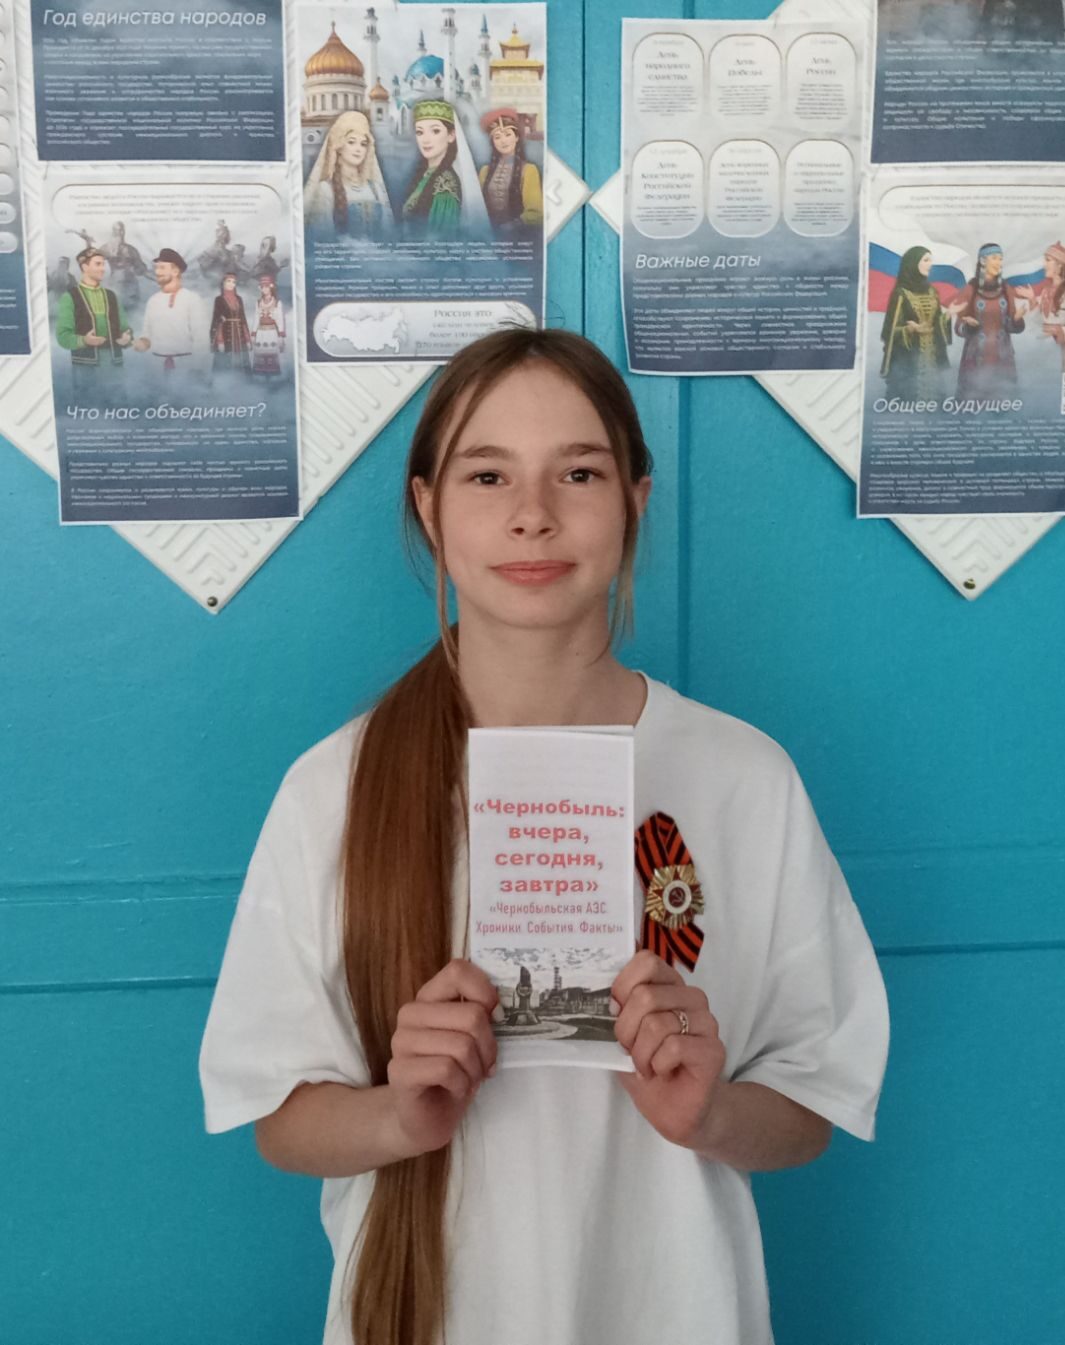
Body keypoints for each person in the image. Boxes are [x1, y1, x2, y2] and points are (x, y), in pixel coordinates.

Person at [200, 329, 888, 1345]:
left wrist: (708, 1113)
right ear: (428, 505)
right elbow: (278, 1116)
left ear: (637, 499)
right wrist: (400, 1113)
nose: (533, 514)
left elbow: (809, 1103)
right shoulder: (333, 789)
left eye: (579, 472)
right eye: (488, 475)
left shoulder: (745, 778)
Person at [54, 246, 133, 400]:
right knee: (89, 404)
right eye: (98, 264)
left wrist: (127, 337)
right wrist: (85, 340)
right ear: (84, 267)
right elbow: (62, 336)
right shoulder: (70, 297)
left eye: (103, 264)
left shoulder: (111, 296)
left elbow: (125, 328)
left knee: (118, 405)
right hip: (85, 366)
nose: (103, 268)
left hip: (114, 365)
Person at [401, 99, 489, 238]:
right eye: (420, 132)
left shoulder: (445, 184)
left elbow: (439, 242)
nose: (425, 140)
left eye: (435, 131)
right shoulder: (424, 175)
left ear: (451, 136)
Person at [879, 245, 954, 399]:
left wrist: (947, 316)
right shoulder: (901, 294)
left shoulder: (932, 292)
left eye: (931, 260)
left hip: (932, 358)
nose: (930, 264)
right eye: (926, 260)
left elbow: (936, 322)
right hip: (909, 361)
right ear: (913, 263)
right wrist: (910, 329)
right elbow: (890, 331)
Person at [954, 242, 1025, 399]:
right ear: (983, 261)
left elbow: (1012, 323)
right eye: (994, 258)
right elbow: (958, 327)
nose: (999, 262)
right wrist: (969, 325)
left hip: (1002, 358)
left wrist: (1016, 320)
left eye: (1000, 258)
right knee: (973, 401)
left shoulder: (1006, 289)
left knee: (1003, 401)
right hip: (976, 359)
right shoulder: (971, 289)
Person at [304, 111, 392, 237]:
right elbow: (324, 238)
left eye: (363, 144)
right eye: (351, 142)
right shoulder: (326, 190)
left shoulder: (376, 189)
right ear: (339, 146)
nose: (358, 149)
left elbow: (388, 234)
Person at [134, 247, 206, 377]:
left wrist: (197, 369)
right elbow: (147, 335)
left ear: (175, 271)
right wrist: (141, 344)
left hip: (185, 369)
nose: (157, 272)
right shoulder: (153, 301)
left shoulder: (192, 299)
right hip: (156, 369)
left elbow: (201, 339)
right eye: (156, 268)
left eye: (162, 268)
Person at [477, 108, 543, 233]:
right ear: (493, 142)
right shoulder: (484, 172)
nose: (503, 141)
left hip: (519, 235)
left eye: (508, 135)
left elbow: (536, 213)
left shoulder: (528, 170)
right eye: (497, 137)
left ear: (516, 137)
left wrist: (513, 226)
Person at [208, 272, 252, 376]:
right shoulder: (219, 299)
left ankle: (243, 382)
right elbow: (217, 320)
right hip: (226, 334)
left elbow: (243, 319)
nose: (231, 284)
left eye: (234, 282)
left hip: (240, 335)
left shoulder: (239, 299)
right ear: (223, 283)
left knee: (242, 361)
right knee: (224, 360)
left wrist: (247, 339)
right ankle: (224, 382)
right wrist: (220, 341)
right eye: (229, 281)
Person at [251, 275, 285, 377]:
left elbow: (280, 320)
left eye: (266, 287)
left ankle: (272, 376)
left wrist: (281, 336)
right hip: (261, 333)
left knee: (271, 355)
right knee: (260, 354)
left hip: (272, 332)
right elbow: (256, 318)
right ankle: (260, 376)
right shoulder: (258, 302)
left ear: (271, 287)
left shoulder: (277, 302)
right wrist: (253, 334)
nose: (264, 289)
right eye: (262, 287)